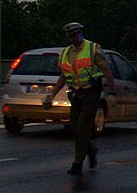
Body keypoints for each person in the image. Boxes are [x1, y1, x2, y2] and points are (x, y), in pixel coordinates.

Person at [44, 22, 115, 175]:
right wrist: (52, 95)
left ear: (81, 33)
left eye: (76, 35)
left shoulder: (92, 48)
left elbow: (106, 69)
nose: (74, 38)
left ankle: (77, 164)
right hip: (76, 94)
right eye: (71, 36)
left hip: (91, 93)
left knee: (82, 127)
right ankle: (91, 148)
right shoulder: (65, 53)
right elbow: (64, 76)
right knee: (75, 128)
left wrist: (112, 92)